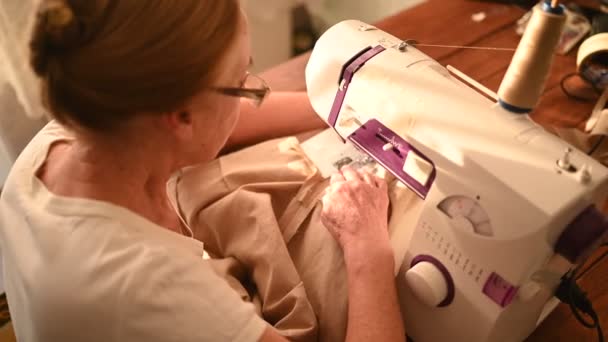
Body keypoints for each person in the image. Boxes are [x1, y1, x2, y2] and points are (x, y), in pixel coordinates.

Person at [0, 1, 405, 341]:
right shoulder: (153, 286)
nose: (252, 91)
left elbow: (212, 117)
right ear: (181, 116)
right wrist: (367, 251)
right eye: (241, 83)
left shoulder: (70, 137)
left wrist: (347, 111)